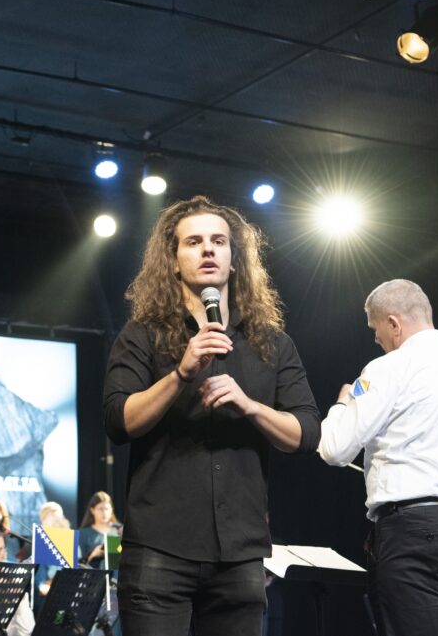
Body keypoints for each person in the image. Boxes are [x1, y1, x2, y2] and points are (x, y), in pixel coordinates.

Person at [102, 196, 321, 636]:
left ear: (234, 260)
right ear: (173, 261)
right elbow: (119, 421)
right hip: (160, 549)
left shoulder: (272, 343)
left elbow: (306, 434)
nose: (208, 249)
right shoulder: (142, 335)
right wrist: (181, 373)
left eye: (219, 241)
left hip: (240, 554)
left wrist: (251, 406)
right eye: (194, 242)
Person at [318, 279, 438, 636]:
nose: (376, 339)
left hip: (416, 536)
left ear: (393, 324)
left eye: (374, 329)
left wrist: (342, 405)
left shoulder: (387, 369)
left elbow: (334, 448)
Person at [77, 491, 120, 567]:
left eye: (107, 509)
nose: (104, 513)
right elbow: (78, 564)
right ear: (92, 510)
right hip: (92, 573)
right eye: (100, 509)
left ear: (111, 510)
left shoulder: (118, 532)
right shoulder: (83, 533)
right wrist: (92, 555)